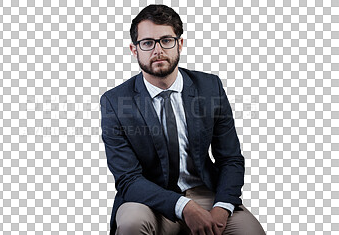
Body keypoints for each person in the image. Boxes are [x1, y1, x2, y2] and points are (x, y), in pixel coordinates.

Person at [100, 4, 265, 235]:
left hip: (205, 192)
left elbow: (230, 159)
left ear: (180, 44)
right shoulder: (114, 102)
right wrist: (183, 206)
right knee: (131, 224)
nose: (157, 50)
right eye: (147, 43)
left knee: (250, 232)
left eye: (166, 40)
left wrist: (222, 206)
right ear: (134, 50)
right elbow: (128, 178)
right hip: (148, 199)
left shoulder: (210, 88)